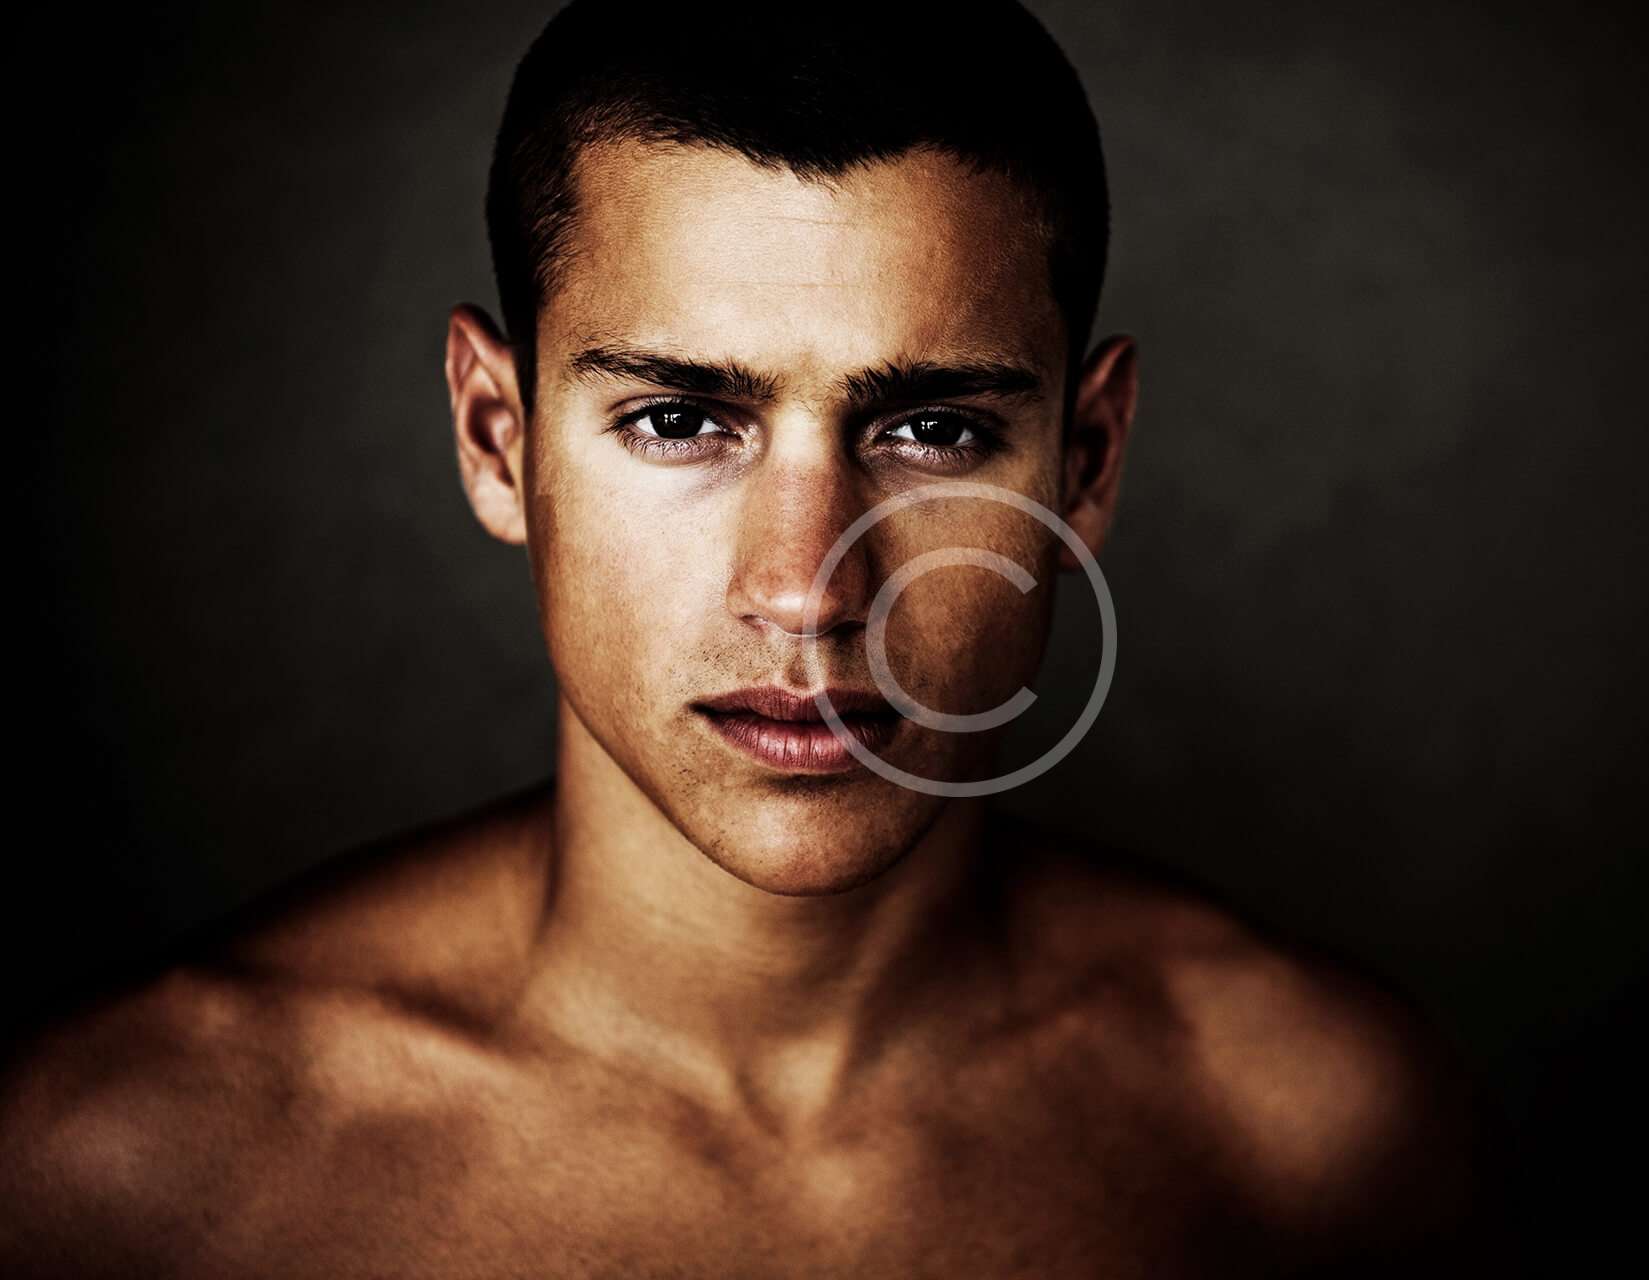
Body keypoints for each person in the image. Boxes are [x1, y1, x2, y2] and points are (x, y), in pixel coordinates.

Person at [1, 2, 1507, 1273]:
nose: (805, 589)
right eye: (678, 420)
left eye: (932, 430)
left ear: (1088, 462)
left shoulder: (1309, 1134)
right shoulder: (135, 1167)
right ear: (496, 439)